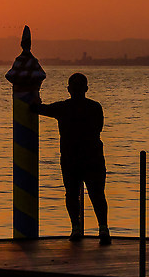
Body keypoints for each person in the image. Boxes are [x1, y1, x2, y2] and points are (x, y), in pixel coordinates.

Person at [31, 72, 110, 243]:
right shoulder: (95, 107)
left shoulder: (63, 107)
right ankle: (103, 228)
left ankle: (76, 228)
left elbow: (38, 109)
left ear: (68, 90)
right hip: (93, 157)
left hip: (71, 159)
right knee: (97, 194)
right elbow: (99, 129)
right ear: (86, 89)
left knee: (72, 194)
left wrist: (34, 96)